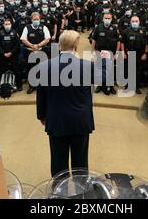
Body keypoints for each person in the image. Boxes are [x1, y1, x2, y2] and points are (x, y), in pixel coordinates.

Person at [36, 30, 109, 177]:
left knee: (58, 163)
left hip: (56, 121)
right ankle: (80, 195)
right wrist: (104, 61)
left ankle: (58, 193)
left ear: (59, 46)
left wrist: (42, 116)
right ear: (76, 46)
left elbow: (41, 95)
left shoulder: (45, 66)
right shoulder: (86, 66)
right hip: (80, 122)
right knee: (80, 165)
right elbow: (104, 79)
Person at [91, 12, 121, 95]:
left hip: (111, 53)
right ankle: (100, 86)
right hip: (100, 52)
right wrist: (93, 51)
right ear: (103, 19)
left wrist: (117, 53)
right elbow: (94, 40)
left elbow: (118, 41)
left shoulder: (115, 28)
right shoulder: (98, 28)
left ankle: (111, 86)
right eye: (106, 18)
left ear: (111, 19)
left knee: (110, 70)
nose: (107, 20)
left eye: (109, 18)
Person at [20, 12, 51, 94]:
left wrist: (38, 45)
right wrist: (32, 46)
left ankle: (43, 87)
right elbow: (23, 39)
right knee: (31, 69)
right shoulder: (27, 28)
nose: (36, 21)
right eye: (34, 19)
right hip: (30, 51)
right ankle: (31, 86)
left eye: (38, 19)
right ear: (31, 20)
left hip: (41, 51)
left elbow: (47, 39)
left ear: (40, 19)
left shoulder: (44, 27)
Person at [121, 16, 148, 94]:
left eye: (136, 21)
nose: (134, 23)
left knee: (138, 71)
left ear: (139, 22)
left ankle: (136, 87)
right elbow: (122, 42)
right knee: (127, 71)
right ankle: (127, 86)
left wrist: (145, 53)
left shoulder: (143, 31)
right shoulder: (126, 31)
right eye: (133, 21)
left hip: (139, 54)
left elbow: (147, 43)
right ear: (130, 22)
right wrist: (123, 52)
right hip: (129, 53)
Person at [0, 18, 22, 91]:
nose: (7, 25)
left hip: (13, 55)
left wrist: (11, 52)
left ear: (11, 25)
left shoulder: (14, 33)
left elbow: (17, 45)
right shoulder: (0, 33)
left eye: (9, 24)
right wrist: (3, 53)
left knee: (16, 70)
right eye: (6, 24)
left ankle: (19, 84)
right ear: (3, 25)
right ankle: (2, 85)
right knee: (2, 70)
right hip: (3, 55)